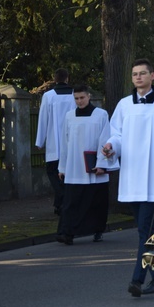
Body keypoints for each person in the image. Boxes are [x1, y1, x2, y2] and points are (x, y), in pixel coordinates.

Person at [103, 59, 154, 297]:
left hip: (153, 175)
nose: (138, 77)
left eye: (143, 73)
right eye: (135, 74)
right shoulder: (123, 105)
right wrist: (110, 146)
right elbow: (116, 134)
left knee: (145, 229)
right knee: (146, 232)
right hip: (131, 175)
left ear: (153, 76)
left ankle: (137, 279)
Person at [57, 85, 115, 245]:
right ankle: (67, 233)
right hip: (74, 167)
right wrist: (62, 167)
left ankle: (97, 230)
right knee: (71, 201)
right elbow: (64, 142)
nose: (79, 101)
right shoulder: (69, 116)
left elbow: (106, 140)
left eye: (82, 97)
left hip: (94, 166)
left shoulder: (101, 114)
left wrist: (102, 164)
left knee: (96, 202)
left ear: (89, 96)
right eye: (76, 98)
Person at [35, 69, 76, 220]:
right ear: (67, 79)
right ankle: (61, 204)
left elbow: (43, 118)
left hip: (54, 143)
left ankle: (62, 200)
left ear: (54, 79)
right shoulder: (75, 95)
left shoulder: (49, 96)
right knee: (67, 174)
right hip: (72, 142)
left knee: (53, 172)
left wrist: (40, 141)